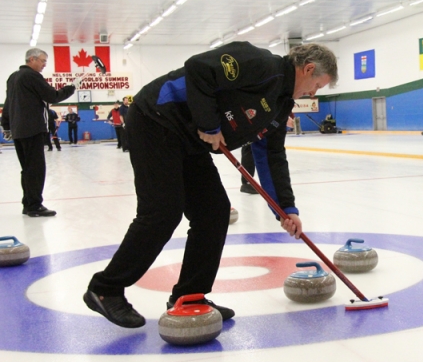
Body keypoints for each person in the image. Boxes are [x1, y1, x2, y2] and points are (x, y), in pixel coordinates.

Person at [83, 41, 338, 329]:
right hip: (156, 119)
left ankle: (190, 296)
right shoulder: (260, 63)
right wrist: (210, 125)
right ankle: (105, 288)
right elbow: (199, 69)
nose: (313, 93)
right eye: (317, 85)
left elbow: (271, 154)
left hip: (189, 139)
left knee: (214, 212)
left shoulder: (281, 105)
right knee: (163, 212)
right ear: (308, 69)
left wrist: (285, 209)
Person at [1, 48, 76, 216]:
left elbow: (8, 104)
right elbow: (53, 96)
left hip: (18, 130)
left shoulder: (13, 78)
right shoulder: (32, 76)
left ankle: (28, 203)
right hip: (32, 129)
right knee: (35, 168)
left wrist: (5, 125)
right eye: (43, 61)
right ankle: (34, 205)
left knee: (27, 168)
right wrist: (71, 88)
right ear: (32, 59)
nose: (44, 65)